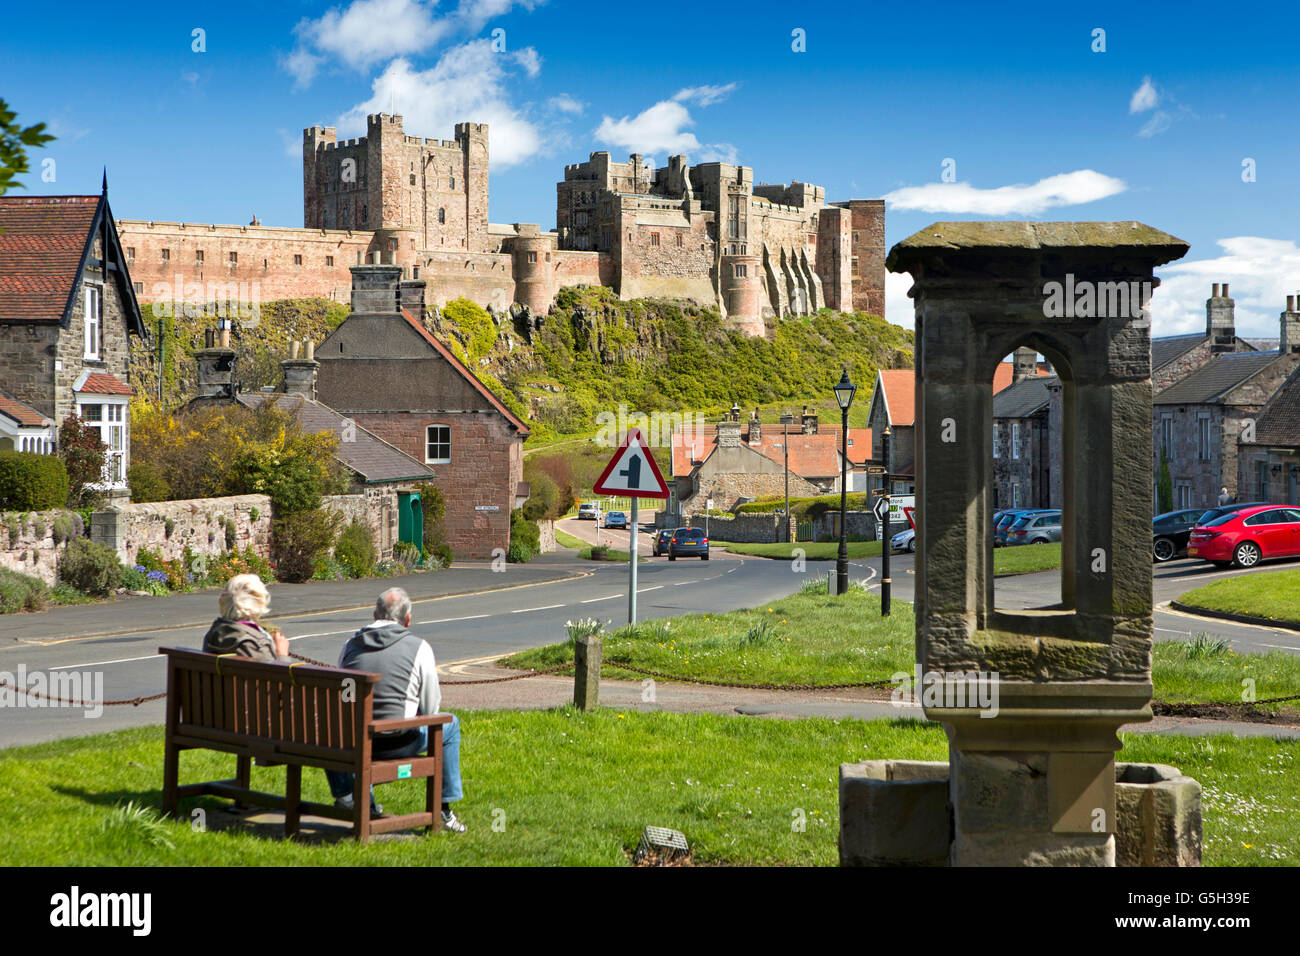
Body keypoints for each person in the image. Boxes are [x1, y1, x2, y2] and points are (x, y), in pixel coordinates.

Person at [325, 587, 466, 832]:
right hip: (399, 740)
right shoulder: (419, 647)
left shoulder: (350, 645)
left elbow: (345, 698)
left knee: (352, 725)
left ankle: (354, 799)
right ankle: (443, 807)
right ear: (408, 619)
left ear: (373, 614)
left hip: (355, 741)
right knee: (450, 724)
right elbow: (432, 708)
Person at [202, 574, 289, 662]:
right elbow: (276, 675)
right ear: (260, 601)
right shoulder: (254, 643)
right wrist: (282, 654)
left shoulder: (213, 633)